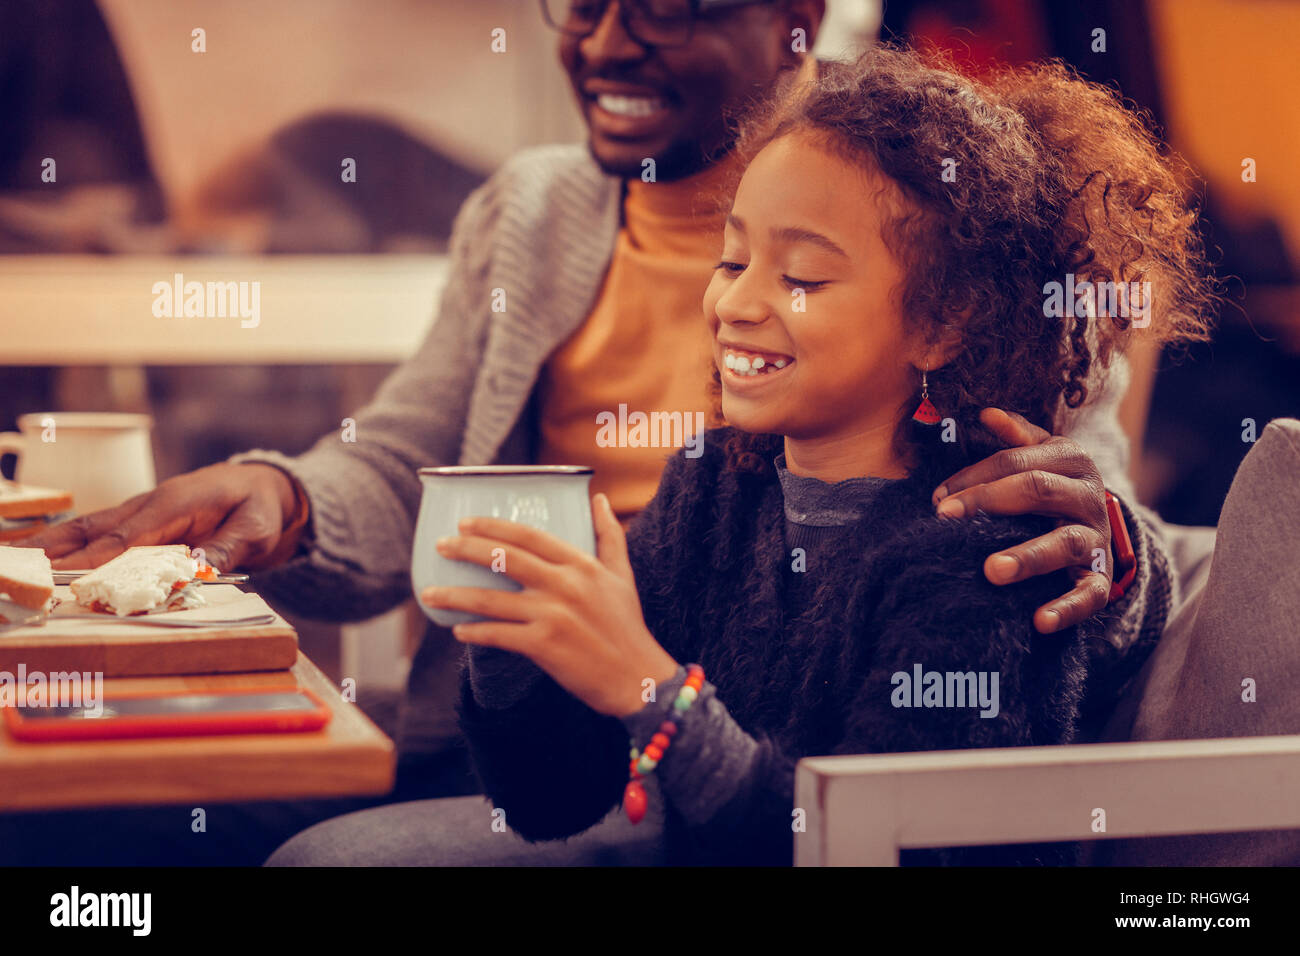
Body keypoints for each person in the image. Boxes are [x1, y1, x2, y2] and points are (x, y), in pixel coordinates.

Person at [18, 1, 1182, 863]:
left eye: (668, 9)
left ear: (796, 23)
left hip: (698, 762)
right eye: (581, 4)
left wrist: (1116, 554)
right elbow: (403, 467)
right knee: (69, 826)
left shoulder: (962, 288)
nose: (608, 42)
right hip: (598, 752)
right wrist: (313, 509)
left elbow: (1081, 523)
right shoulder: (695, 450)